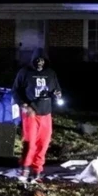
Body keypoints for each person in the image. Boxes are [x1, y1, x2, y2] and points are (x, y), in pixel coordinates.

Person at [12, 48, 62, 183]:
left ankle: (37, 170)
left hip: (46, 112)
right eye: (37, 60)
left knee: (44, 142)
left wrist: (57, 94)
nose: (40, 63)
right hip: (31, 113)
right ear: (33, 60)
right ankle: (25, 168)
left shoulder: (51, 73)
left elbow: (55, 89)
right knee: (30, 142)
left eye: (42, 60)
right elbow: (15, 90)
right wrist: (24, 105)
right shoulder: (25, 72)